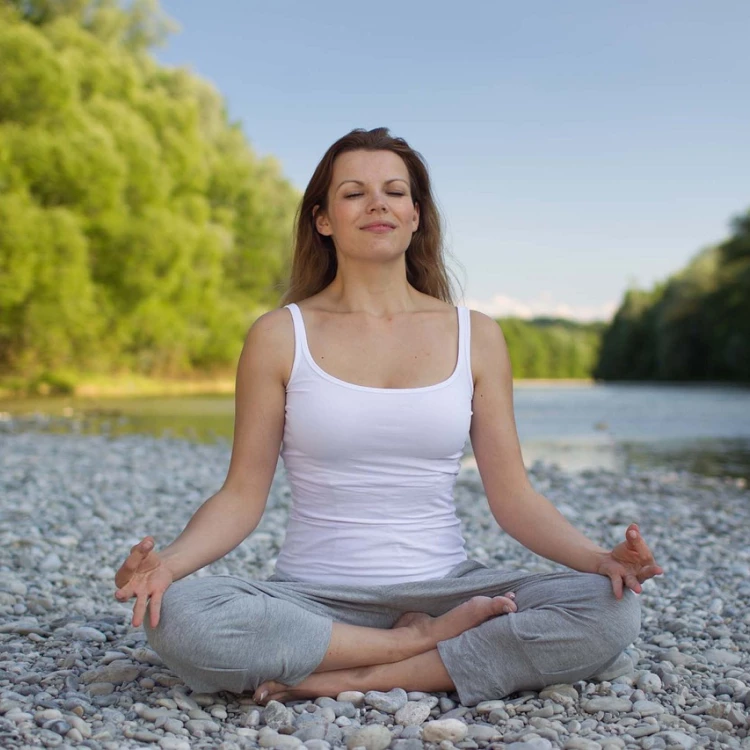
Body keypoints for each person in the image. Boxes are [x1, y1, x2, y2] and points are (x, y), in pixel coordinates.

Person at [113, 127, 663, 707]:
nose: (377, 203)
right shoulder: (279, 336)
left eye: (394, 191)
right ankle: (418, 649)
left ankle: (356, 673)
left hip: (449, 589)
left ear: (416, 216)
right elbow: (241, 496)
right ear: (323, 219)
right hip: (314, 598)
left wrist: (598, 559)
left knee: (609, 610)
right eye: (354, 193)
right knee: (178, 616)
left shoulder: (477, 335)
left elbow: (515, 497)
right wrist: (168, 564)